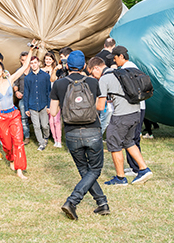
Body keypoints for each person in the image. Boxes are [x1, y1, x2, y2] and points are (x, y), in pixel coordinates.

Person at [50, 51, 109, 220]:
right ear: (84, 66)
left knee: (84, 169)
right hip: (93, 131)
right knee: (95, 169)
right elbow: (100, 107)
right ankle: (73, 201)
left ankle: (102, 203)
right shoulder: (92, 82)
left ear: (67, 66)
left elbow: (53, 112)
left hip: (71, 133)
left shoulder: (59, 84)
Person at [0, 43, 37, 180]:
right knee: (7, 144)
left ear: (3, 70)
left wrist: (30, 50)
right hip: (0, 117)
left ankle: (19, 169)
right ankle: (10, 159)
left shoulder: (10, 80)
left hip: (14, 115)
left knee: (18, 141)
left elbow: (24, 68)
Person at [98, 46, 152, 185]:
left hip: (122, 115)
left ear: (121, 56)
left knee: (114, 143)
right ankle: (143, 169)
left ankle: (120, 178)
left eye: (115, 58)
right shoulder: (133, 69)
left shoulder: (120, 72)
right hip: (135, 112)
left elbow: (100, 105)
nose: (114, 62)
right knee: (129, 141)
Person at [22, 55, 52, 151]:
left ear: (38, 63)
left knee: (45, 125)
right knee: (36, 126)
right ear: (29, 65)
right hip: (32, 105)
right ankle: (41, 143)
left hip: (43, 104)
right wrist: (26, 108)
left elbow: (49, 92)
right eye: (31, 63)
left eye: (35, 62)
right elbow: (26, 93)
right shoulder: (27, 78)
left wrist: (49, 105)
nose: (34, 65)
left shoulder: (46, 76)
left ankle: (46, 137)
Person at [41, 51, 62, 147]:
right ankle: (54, 139)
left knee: (56, 120)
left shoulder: (57, 69)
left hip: (56, 96)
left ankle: (59, 140)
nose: (48, 61)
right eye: (46, 59)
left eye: (50, 59)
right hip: (46, 96)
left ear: (53, 60)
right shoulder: (41, 70)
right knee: (50, 120)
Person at [13, 51, 32, 145]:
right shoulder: (18, 71)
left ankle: (42, 136)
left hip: (34, 97)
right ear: (20, 60)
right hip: (23, 98)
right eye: (23, 60)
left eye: (26, 59)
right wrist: (16, 92)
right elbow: (15, 84)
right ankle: (27, 137)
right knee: (24, 118)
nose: (25, 62)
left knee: (38, 117)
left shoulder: (34, 69)